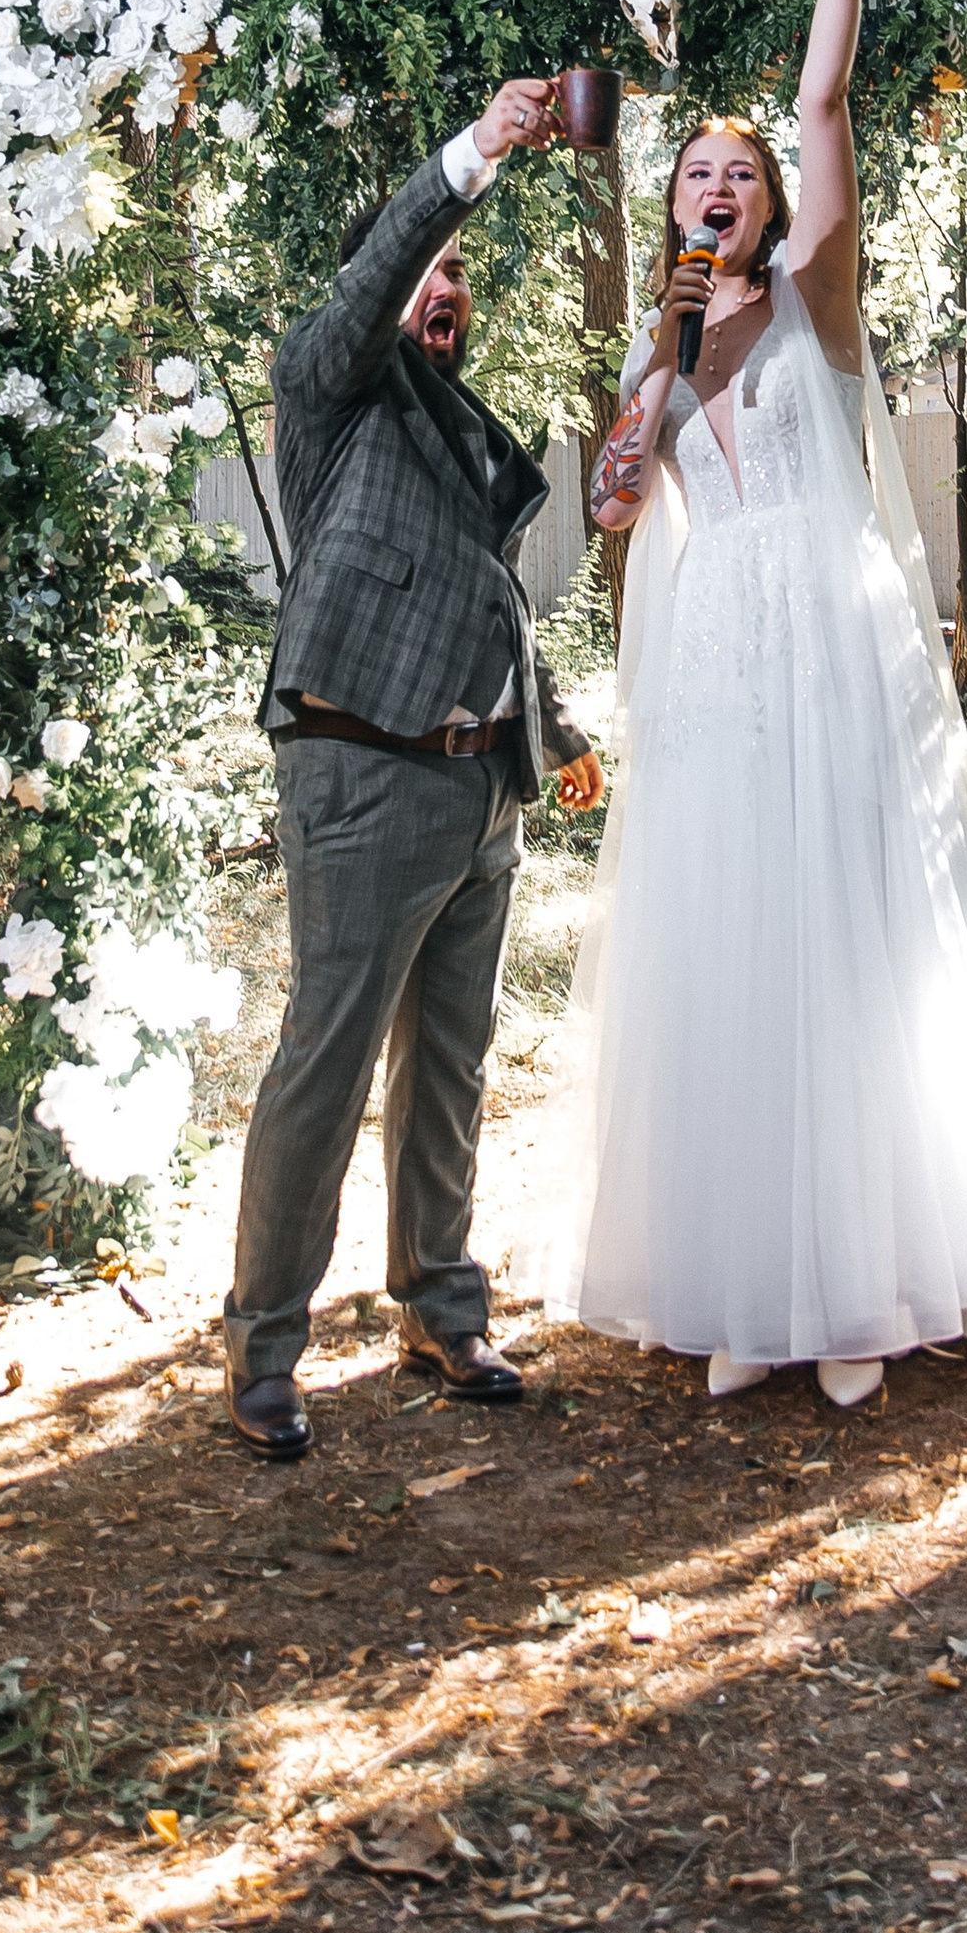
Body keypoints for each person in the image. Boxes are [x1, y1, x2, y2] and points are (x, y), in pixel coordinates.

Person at [543, 0, 967, 1409]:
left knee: (844, 943)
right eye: (695, 170)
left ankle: (863, 1293)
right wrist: (629, 464)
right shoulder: (661, 334)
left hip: (827, 652)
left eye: (736, 173)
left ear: (769, 201)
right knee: (727, 953)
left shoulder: (820, 296)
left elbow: (823, 110)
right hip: (711, 675)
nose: (716, 185)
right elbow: (624, 514)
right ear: (672, 199)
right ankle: (751, 1285)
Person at [223, 78, 604, 1463]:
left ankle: (440, 1307)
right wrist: (476, 158)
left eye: (457, 284)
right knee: (326, 1063)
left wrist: (551, 740)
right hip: (361, 775)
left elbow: (487, 599)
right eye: (425, 274)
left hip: (475, 791)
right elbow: (385, 266)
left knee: (450, 1063)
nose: (440, 295)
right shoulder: (331, 395)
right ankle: (264, 1344)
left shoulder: (450, 430)